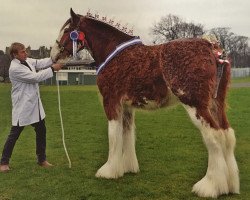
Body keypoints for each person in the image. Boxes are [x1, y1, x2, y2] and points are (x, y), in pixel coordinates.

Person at [0, 42, 63, 172]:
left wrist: (54, 58)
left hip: (35, 105)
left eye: (25, 51)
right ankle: (3, 163)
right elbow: (35, 77)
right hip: (23, 105)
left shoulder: (27, 60)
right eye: (23, 52)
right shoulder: (15, 68)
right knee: (14, 135)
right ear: (15, 55)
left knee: (41, 131)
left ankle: (42, 160)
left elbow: (40, 63)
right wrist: (52, 69)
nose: (26, 53)